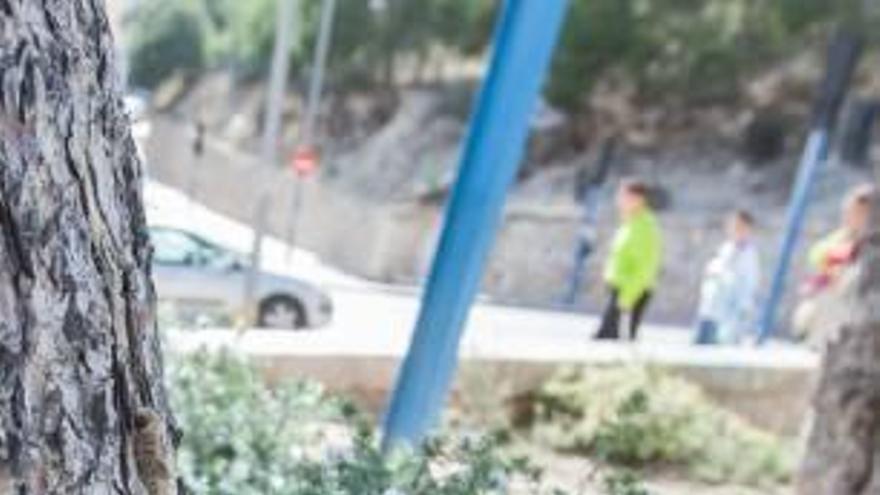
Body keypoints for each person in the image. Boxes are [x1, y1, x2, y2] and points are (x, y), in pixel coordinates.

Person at [793, 184, 875, 343]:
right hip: (835, 322)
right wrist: (818, 283)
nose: (849, 217)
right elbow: (820, 267)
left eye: (858, 213)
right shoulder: (837, 243)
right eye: (849, 212)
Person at [595, 178, 662, 340]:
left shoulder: (645, 226)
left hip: (631, 292)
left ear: (638, 199)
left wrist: (626, 299)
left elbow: (645, 266)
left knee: (613, 341)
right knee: (605, 340)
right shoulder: (629, 222)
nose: (619, 201)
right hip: (620, 289)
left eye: (624, 196)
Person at [694, 210, 761, 345]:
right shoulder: (726, 248)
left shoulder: (749, 254)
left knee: (722, 345)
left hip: (731, 311)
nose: (735, 230)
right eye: (732, 226)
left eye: (739, 227)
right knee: (701, 343)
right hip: (711, 308)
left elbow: (750, 282)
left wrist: (745, 305)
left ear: (748, 229)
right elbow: (715, 271)